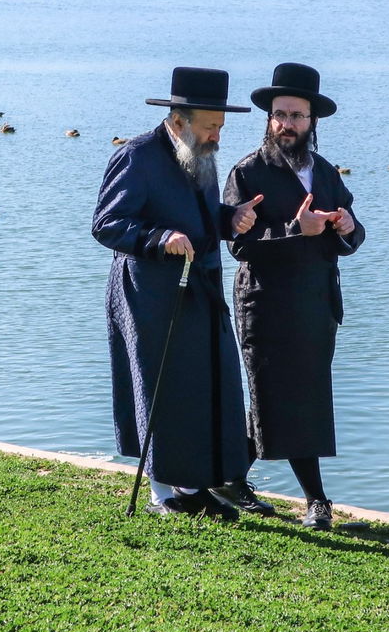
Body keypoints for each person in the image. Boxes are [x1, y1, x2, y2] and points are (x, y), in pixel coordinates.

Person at [93, 67, 263, 519]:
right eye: (211, 126)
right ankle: (161, 493)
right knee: (160, 387)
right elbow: (107, 224)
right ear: (178, 121)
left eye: (221, 127)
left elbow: (200, 217)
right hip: (149, 293)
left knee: (206, 385)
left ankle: (192, 484)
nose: (217, 136)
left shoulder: (199, 155)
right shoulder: (138, 156)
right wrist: (160, 238)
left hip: (199, 288)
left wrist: (230, 219)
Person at [218, 62, 365, 530]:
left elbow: (355, 234)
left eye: (296, 116)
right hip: (265, 302)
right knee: (281, 394)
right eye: (279, 114)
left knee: (298, 395)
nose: (287, 123)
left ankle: (229, 478)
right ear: (268, 119)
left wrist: (346, 227)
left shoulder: (324, 173)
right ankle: (316, 501)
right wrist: (293, 231)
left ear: (312, 122)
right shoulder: (248, 173)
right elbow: (239, 246)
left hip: (318, 304)